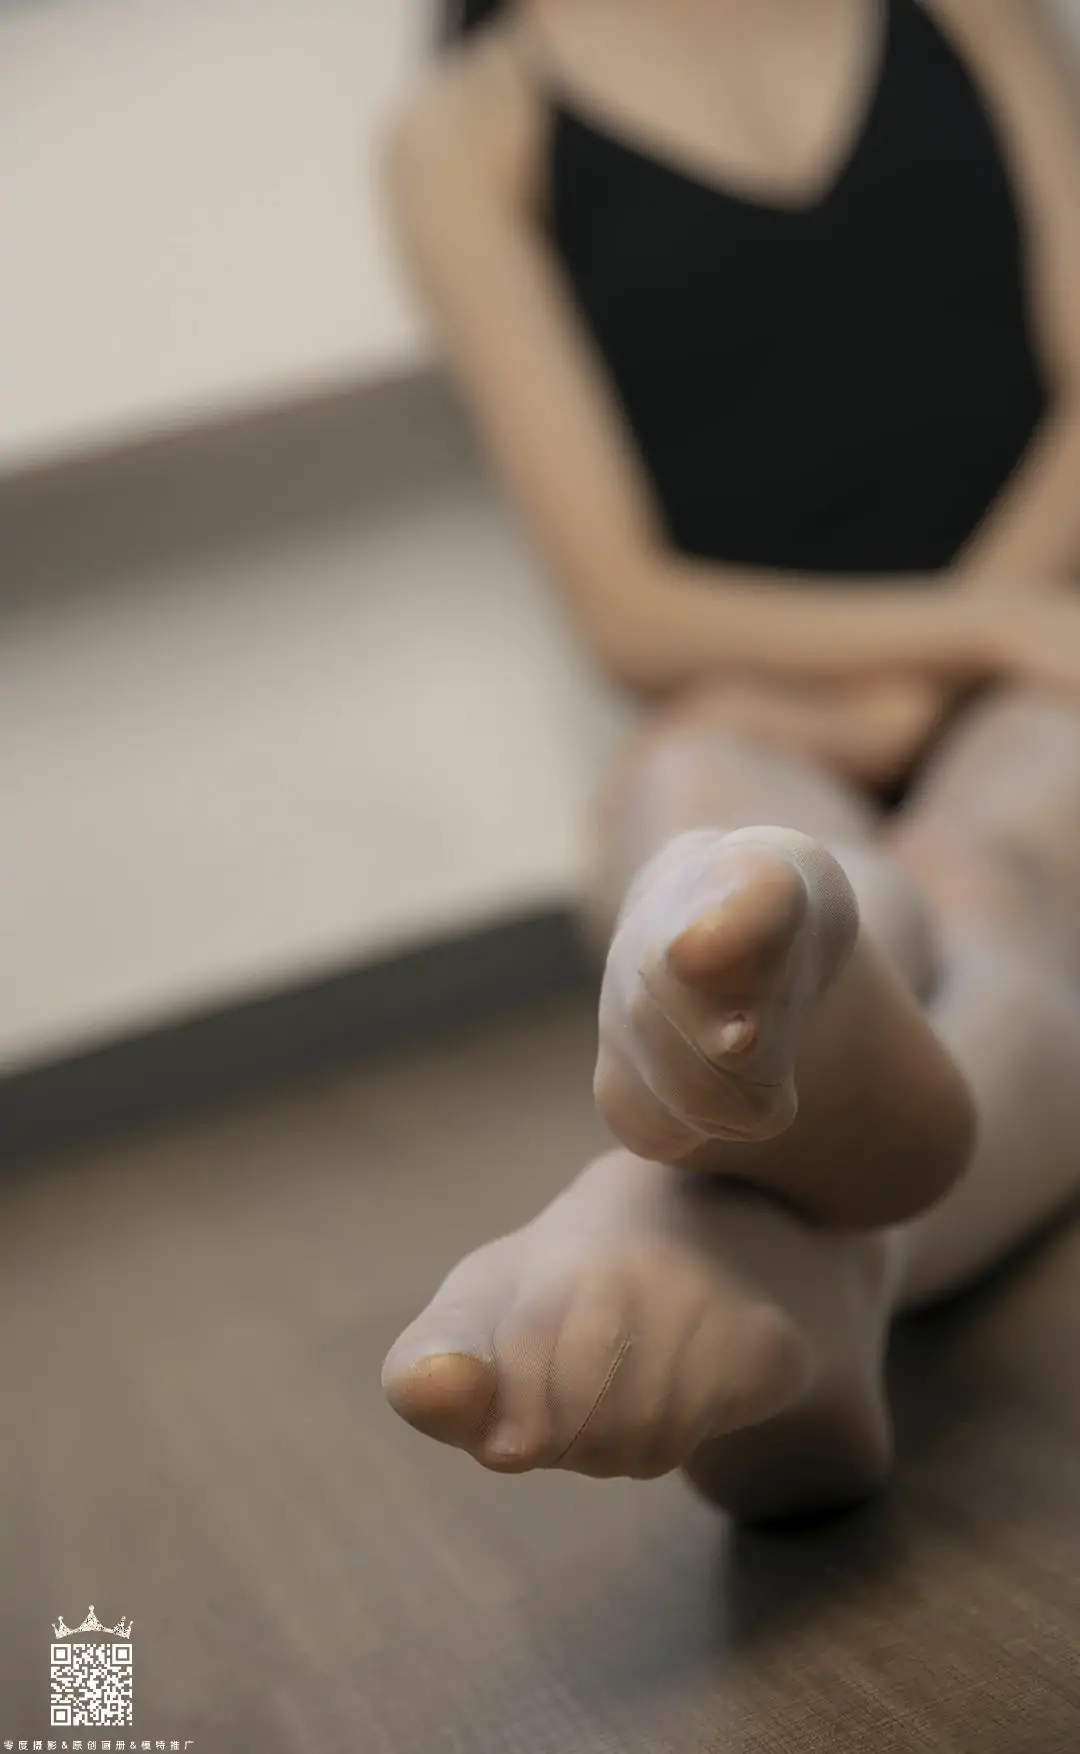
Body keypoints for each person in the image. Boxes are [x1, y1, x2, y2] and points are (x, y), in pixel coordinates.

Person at [380, 0, 1080, 1521]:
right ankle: (750, 990)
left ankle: (713, 1238)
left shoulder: (971, 15)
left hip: (1051, 664)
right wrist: (957, 645)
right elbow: (627, 607)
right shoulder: (471, 127)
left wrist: (965, 661)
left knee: (985, 875)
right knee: (712, 836)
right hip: (772, 695)